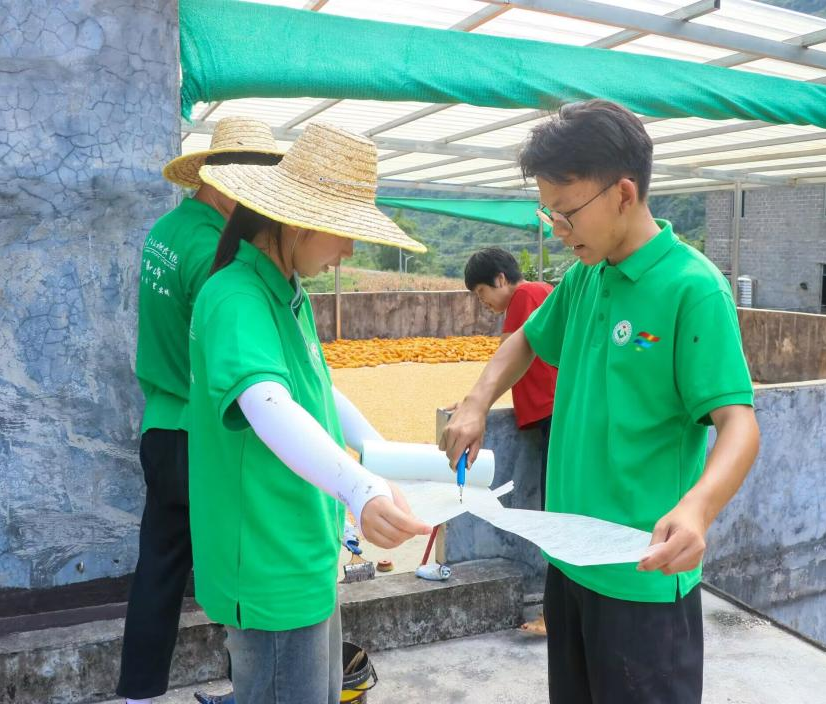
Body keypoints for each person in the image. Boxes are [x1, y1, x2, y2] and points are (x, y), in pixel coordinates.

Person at [440, 99, 760, 704]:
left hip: (641, 578)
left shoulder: (692, 290)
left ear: (622, 193)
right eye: (549, 214)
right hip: (569, 564)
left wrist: (697, 509)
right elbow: (525, 341)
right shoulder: (585, 278)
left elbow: (738, 423)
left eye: (566, 213)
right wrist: (477, 399)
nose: (557, 231)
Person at [189, 121, 431, 704]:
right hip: (270, 558)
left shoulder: (287, 293)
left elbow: (313, 390)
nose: (349, 250)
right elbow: (267, 404)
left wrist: (376, 452)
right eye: (343, 233)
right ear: (297, 222)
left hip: (302, 546)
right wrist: (359, 487)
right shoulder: (237, 297)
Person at [118, 117, 283, 704]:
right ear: (223, 181)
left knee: (159, 569)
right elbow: (230, 349)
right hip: (202, 436)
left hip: (160, 426)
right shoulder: (222, 249)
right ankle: (253, 689)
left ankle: (139, 693)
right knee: (243, 564)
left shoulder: (165, 230)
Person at [464, 247, 557, 635]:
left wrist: (477, 404)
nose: (483, 302)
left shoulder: (525, 295)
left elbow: (511, 353)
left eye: (482, 291)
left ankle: (556, 614)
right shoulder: (541, 293)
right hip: (554, 416)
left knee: (558, 518)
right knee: (559, 513)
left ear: (501, 279)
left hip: (556, 415)